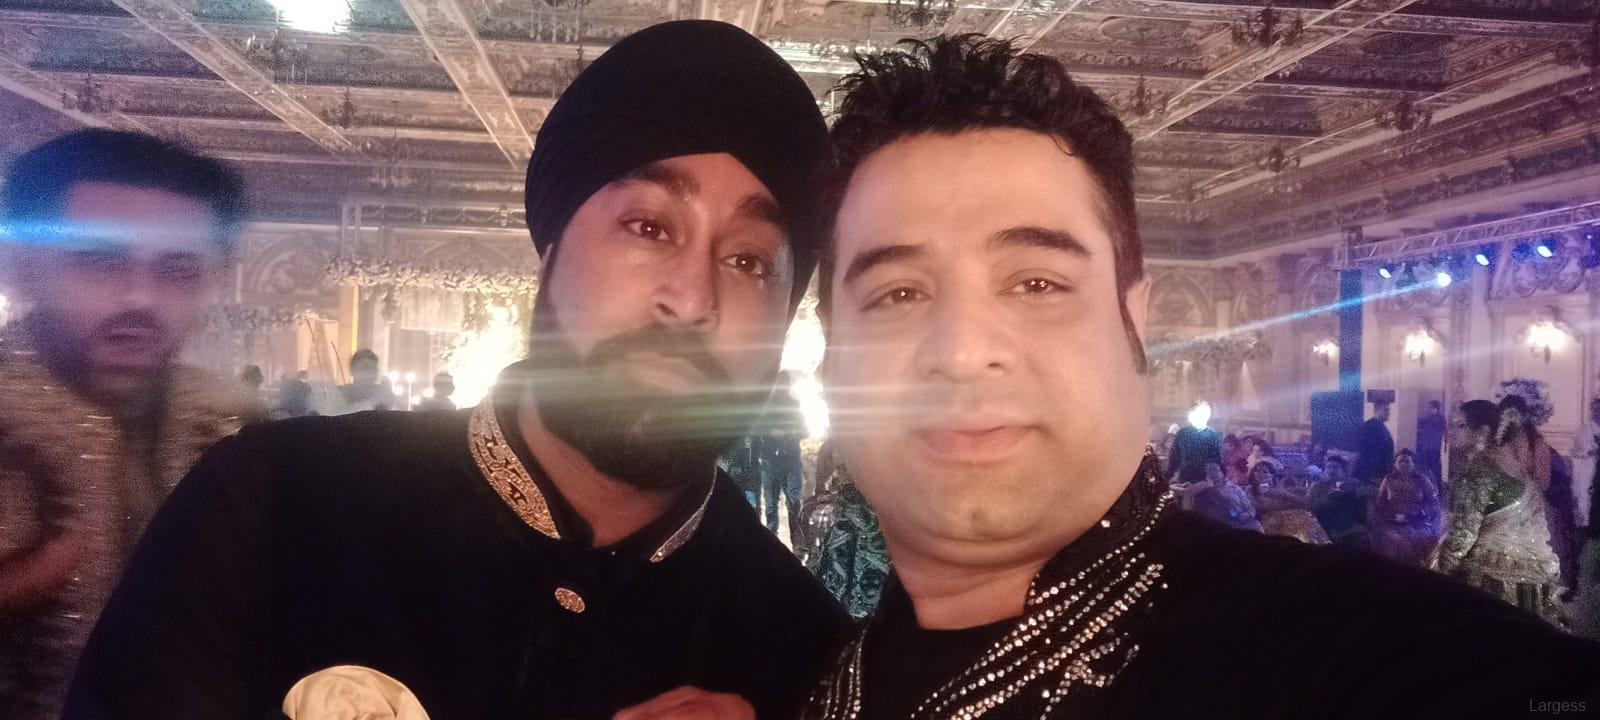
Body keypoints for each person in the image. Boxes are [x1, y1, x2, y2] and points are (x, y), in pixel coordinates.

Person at [801, 36, 1600, 720]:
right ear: (832, 355)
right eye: (897, 293)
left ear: (1133, 322)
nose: (962, 350)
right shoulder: (800, 666)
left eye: (1037, 282)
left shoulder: (1327, 646)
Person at [65, 21, 846, 720]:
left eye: (749, 261)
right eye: (648, 226)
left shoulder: (807, 654)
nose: (693, 298)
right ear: (550, 257)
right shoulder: (278, 505)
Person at [0, 129, 251, 719]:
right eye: (99, 260)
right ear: (22, 266)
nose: (141, 298)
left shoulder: (237, 426)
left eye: (179, 270)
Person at [1437, 400, 1563, 625]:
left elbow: (1462, 536)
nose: (1452, 431)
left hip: (1492, 578)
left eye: (1460, 425)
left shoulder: (1479, 470)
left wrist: (1436, 572)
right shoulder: (1510, 464)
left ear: (1482, 432)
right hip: (1533, 572)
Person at [1369, 449, 1442, 567]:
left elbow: (1434, 502)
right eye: (1400, 461)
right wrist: (1388, 515)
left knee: (1420, 541)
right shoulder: (1388, 480)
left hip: (1417, 522)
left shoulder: (1422, 480)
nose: (1403, 464)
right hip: (1393, 522)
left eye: (1407, 461)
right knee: (1390, 541)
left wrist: (1421, 513)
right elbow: (1380, 501)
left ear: (1413, 464)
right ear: (1395, 464)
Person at [1248, 458, 1331, 544]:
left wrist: (1282, 494)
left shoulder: (1279, 489)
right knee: (1301, 518)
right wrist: (1286, 501)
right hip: (1269, 520)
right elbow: (1260, 506)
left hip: (1286, 516)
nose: (1260, 474)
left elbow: (1302, 502)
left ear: (1272, 475)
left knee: (1304, 515)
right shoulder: (1249, 489)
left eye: (1265, 472)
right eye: (1257, 471)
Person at [1187, 463, 1261, 532]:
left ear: (1222, 472)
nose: (1214, 473)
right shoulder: (1205, 492)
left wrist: (1248, 514)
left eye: (1216, 470)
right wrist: (1236, 515)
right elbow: (1228, 509)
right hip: (1226, 525)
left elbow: (1248, 505)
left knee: (1256, 525)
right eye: (1210, 471)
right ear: (1206, 475)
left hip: (1245, 520)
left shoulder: (1234, 487)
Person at [1166, 401, 1221, 485]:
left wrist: (1214, 480)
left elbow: (1217, 461)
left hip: (1205, 482)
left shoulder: (1213, 436)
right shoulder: (1182, 433)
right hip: (1184, 479)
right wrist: (1169, 476)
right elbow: (1174, 457)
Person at [334, 348, 398, 413]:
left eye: (374, 368)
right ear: (352, 370)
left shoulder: (384, 395)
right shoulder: (340, 394)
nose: (370, 372)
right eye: (364, 367)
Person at [1570, 397, 1600, 531]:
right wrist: (1590, 451)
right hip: (1588, 468)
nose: (1596, 413)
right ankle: (1586, 526)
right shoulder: (1583, 429)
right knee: (1586, 495)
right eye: (1594, 409)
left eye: (1599, 410)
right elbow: (1576, 451)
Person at [1352, 398, 1395, 484]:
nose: (1388, 413)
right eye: (1386, 410)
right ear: (1376, 410)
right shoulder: (1369, 427)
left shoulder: (1382, 427)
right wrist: (1375, 473)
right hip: (1371, 472)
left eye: (1389, 410)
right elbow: (1369, 452)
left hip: (1380, 471)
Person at [1415, 400, 1446, 483]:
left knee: (1434, 470)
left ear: (1436, 408)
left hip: (1433, 448)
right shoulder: (1428, 418)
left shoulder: (1439, 419)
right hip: (1428, 448)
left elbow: (1434, 431)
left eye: (1430, 407)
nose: (1428, 409)